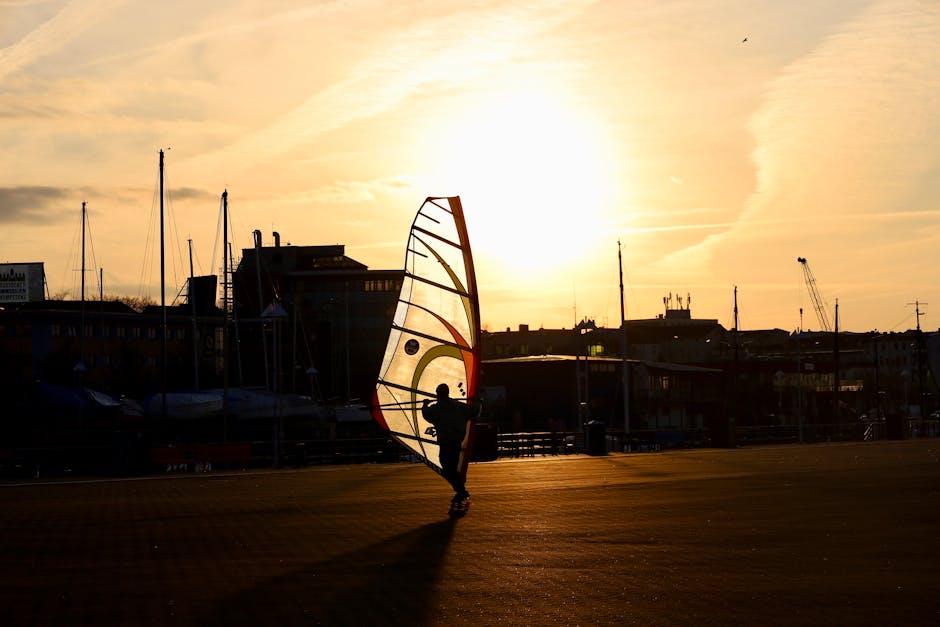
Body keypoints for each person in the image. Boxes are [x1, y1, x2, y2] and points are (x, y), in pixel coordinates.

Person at [422, 383, 479, 504]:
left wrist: (425, 404)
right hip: (456, 441)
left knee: (447, 468)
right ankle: (461, 491)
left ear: (437, 394)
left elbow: (426, 414)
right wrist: (477, 402)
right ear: (447, 393)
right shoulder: (459, 406)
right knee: (451, 468)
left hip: (446, 442)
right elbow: (474, 412)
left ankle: (461, 491)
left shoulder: (436, 408)